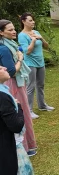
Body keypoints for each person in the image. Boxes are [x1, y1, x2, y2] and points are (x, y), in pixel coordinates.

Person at [0, 64, 59, 175]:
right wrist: (18, 107)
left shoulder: (3, 89)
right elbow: (16, 125)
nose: (4, 66)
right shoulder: (2, 97)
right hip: (10, 147)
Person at [0, 19, 37, 157]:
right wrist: (20, 59)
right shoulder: (4, 48)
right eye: (9, 30)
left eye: (14, 28)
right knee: (21, 112)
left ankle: (25, 145)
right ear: (1, 33)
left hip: (13, 83)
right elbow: (11, 72)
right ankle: (26, 147)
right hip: (13, 84)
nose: (14, 31)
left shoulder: (10, 44)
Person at [18, 12, 55, 119]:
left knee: (41, 85)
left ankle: (42, 105)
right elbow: (27, 52)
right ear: (23, 21)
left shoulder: (36, 32)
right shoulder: (22, 35)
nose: (33, 22)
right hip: (30, 64)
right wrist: (33, 40)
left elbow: (47, 46)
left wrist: (41, 38)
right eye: (30, 20)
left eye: (33, 20)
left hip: (40, 63)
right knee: (30, 87)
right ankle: (29, 110)